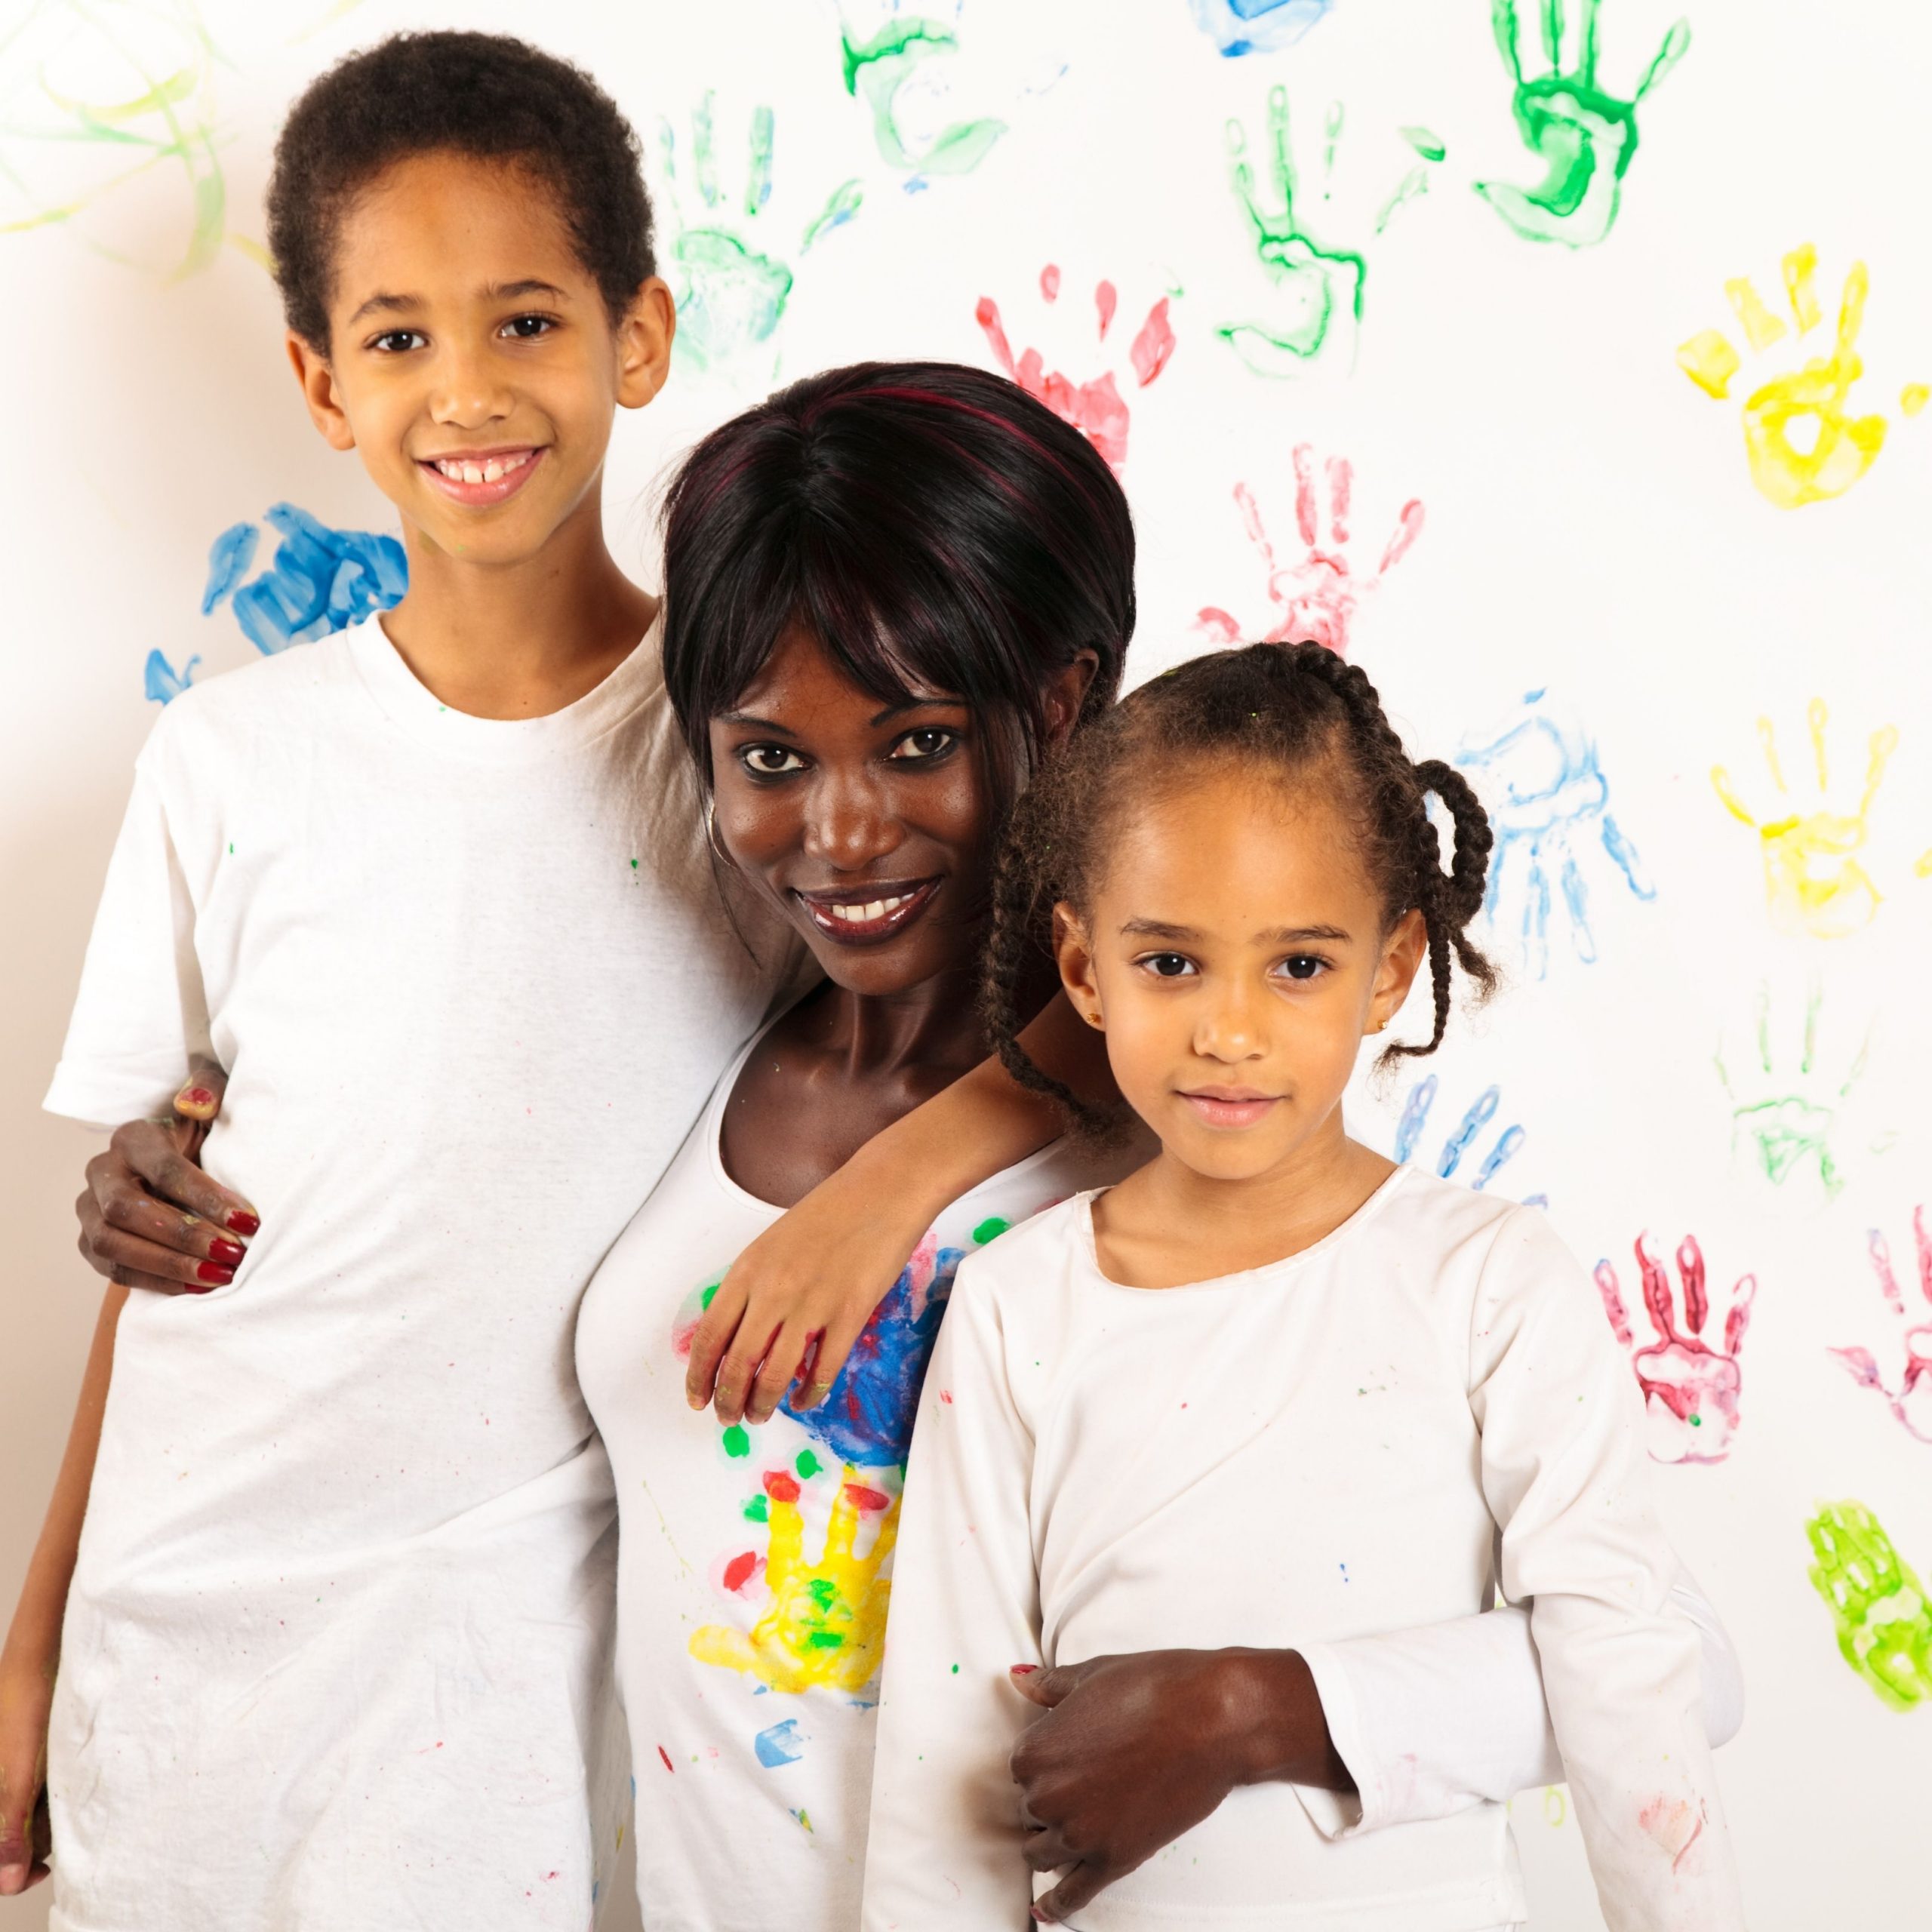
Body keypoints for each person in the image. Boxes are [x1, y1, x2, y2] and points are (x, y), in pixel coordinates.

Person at [0, 37, 1101, 1929]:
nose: (466, 389)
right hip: (173, 1651)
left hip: (493, 1693)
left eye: (523, 318)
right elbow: (176, 1234)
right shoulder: (228, 761)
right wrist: (31, 1636)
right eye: (398, 337)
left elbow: (1122, 976)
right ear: (319, 383)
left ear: (637, 335)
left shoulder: (753, 742)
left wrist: (893, 1182)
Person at [574, 371, 1740, 1932]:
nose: (839, 833)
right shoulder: (705, 1034)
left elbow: (1671, 1665)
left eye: (918, 743)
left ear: (1057, 710)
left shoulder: (1210, 1135)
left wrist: (1258, 1708)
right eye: (771, 758)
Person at [864, 643, 1746, 1931]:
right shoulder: (1016, 1308)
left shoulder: (1489, 1283)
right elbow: (945, 1767)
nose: (1230, 1031)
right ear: (1084, 969)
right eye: (1171, 964)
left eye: (1298, 966)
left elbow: (1626, 1670)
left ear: (1390, 969)